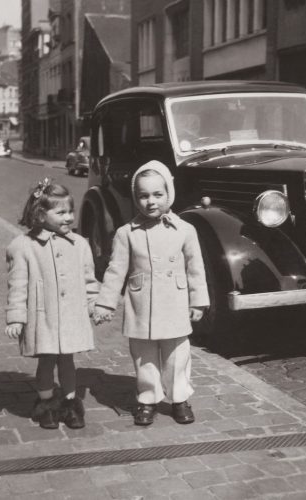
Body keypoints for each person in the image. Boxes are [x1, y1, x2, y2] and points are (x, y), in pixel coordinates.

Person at [94, 161, 210, 426]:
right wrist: (106, 303)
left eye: (158, 194)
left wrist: (198, 301)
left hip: (175, 303)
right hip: (142, 305)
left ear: (169, 193)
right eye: (143, 195)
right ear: (135, 198)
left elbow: (196, 268)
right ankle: (147, 399)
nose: (151, 201)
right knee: (144, 357)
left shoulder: (185, 230)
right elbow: (115, 271)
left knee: (177, 356)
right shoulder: (126, 233)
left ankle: (179, 398)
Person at [5, 178, 99, 429]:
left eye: (70, 211)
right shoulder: (24, 247)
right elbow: (18, 286)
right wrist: (15, 317)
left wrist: (94, 305)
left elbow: (89, 279)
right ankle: (45, 403)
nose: (68, 217)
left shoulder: (79, 245)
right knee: (46, 361)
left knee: (67, 360)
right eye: (61, 212)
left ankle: (69, 404)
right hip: (42, 315)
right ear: (40, 214)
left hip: (70, 316)